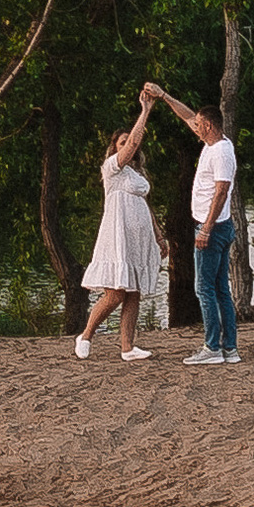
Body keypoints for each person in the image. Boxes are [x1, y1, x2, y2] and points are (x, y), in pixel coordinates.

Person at [151, 83, 243, 366]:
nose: (196, 128)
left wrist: (205, 228)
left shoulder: (222, 153)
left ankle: (213, 347)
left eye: (201, 125)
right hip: (214, 226)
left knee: (205, 289)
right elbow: (187, 116)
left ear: (211, 126)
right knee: (220, 288)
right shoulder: (212, 143)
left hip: (212, 228)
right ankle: (229, 348)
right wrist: (164, 95)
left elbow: (221, 191)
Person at [75, 93, 162, 361]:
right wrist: (145, 110)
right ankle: (86, 335)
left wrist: (160, 237)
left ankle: (127, 347)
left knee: (133, 293)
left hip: (138, 239)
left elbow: (146, 206)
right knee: (114, 294)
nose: (129, 146)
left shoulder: (136, 175)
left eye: (129, 142)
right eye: (122, 143)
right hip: (117, 237)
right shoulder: (111, 169)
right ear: (115, 148)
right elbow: (135, 140)